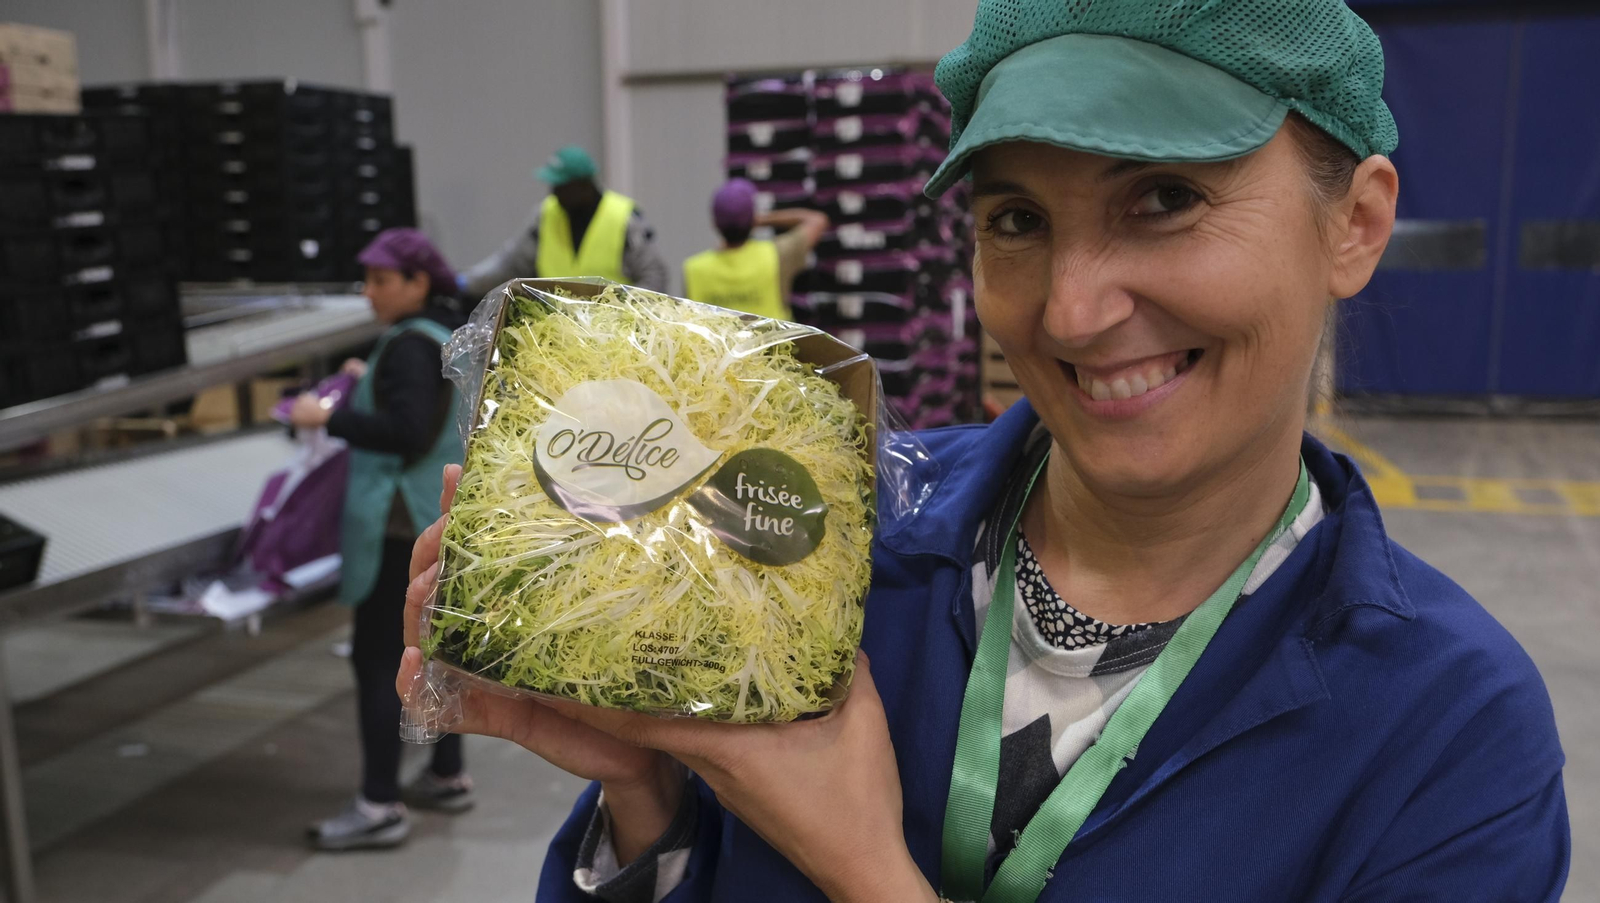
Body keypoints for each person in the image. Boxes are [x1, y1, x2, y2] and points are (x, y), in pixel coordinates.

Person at [398, 0, 1571, 899]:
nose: (1068, 312)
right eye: (1015, 220)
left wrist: (865, 865)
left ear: (1354, 223)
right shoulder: (811, 548)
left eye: (1162, 197)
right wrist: (645, 795)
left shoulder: (1448, 736)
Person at [292, 228, 472, 851]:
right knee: (435, 653)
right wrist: (368, 375)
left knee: (381, 661)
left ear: (417, 282)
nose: (369, 293)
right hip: (434, 520)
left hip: (399, 530)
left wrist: (327, 417)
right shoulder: (440, 335)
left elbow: (403, 429)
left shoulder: (409, 347)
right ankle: (445, 774)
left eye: (381, 281)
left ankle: (377, 804)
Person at [457, 145, 670, 297]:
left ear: (584, 186)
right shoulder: (545, 215)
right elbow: (510, 262)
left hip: (612, 334)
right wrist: (464, 282)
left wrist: (625, 311)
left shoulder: (624, 218)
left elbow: (653, 277)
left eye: (561, 186)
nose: (554, 192)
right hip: (556, 332)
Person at [681, 177, 829, 319]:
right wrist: (762, 219)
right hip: (772, 345)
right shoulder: (776, 255)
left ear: (714, 222)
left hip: (716, 346)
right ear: (753, 218)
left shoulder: (694, 268)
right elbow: (817, 220)